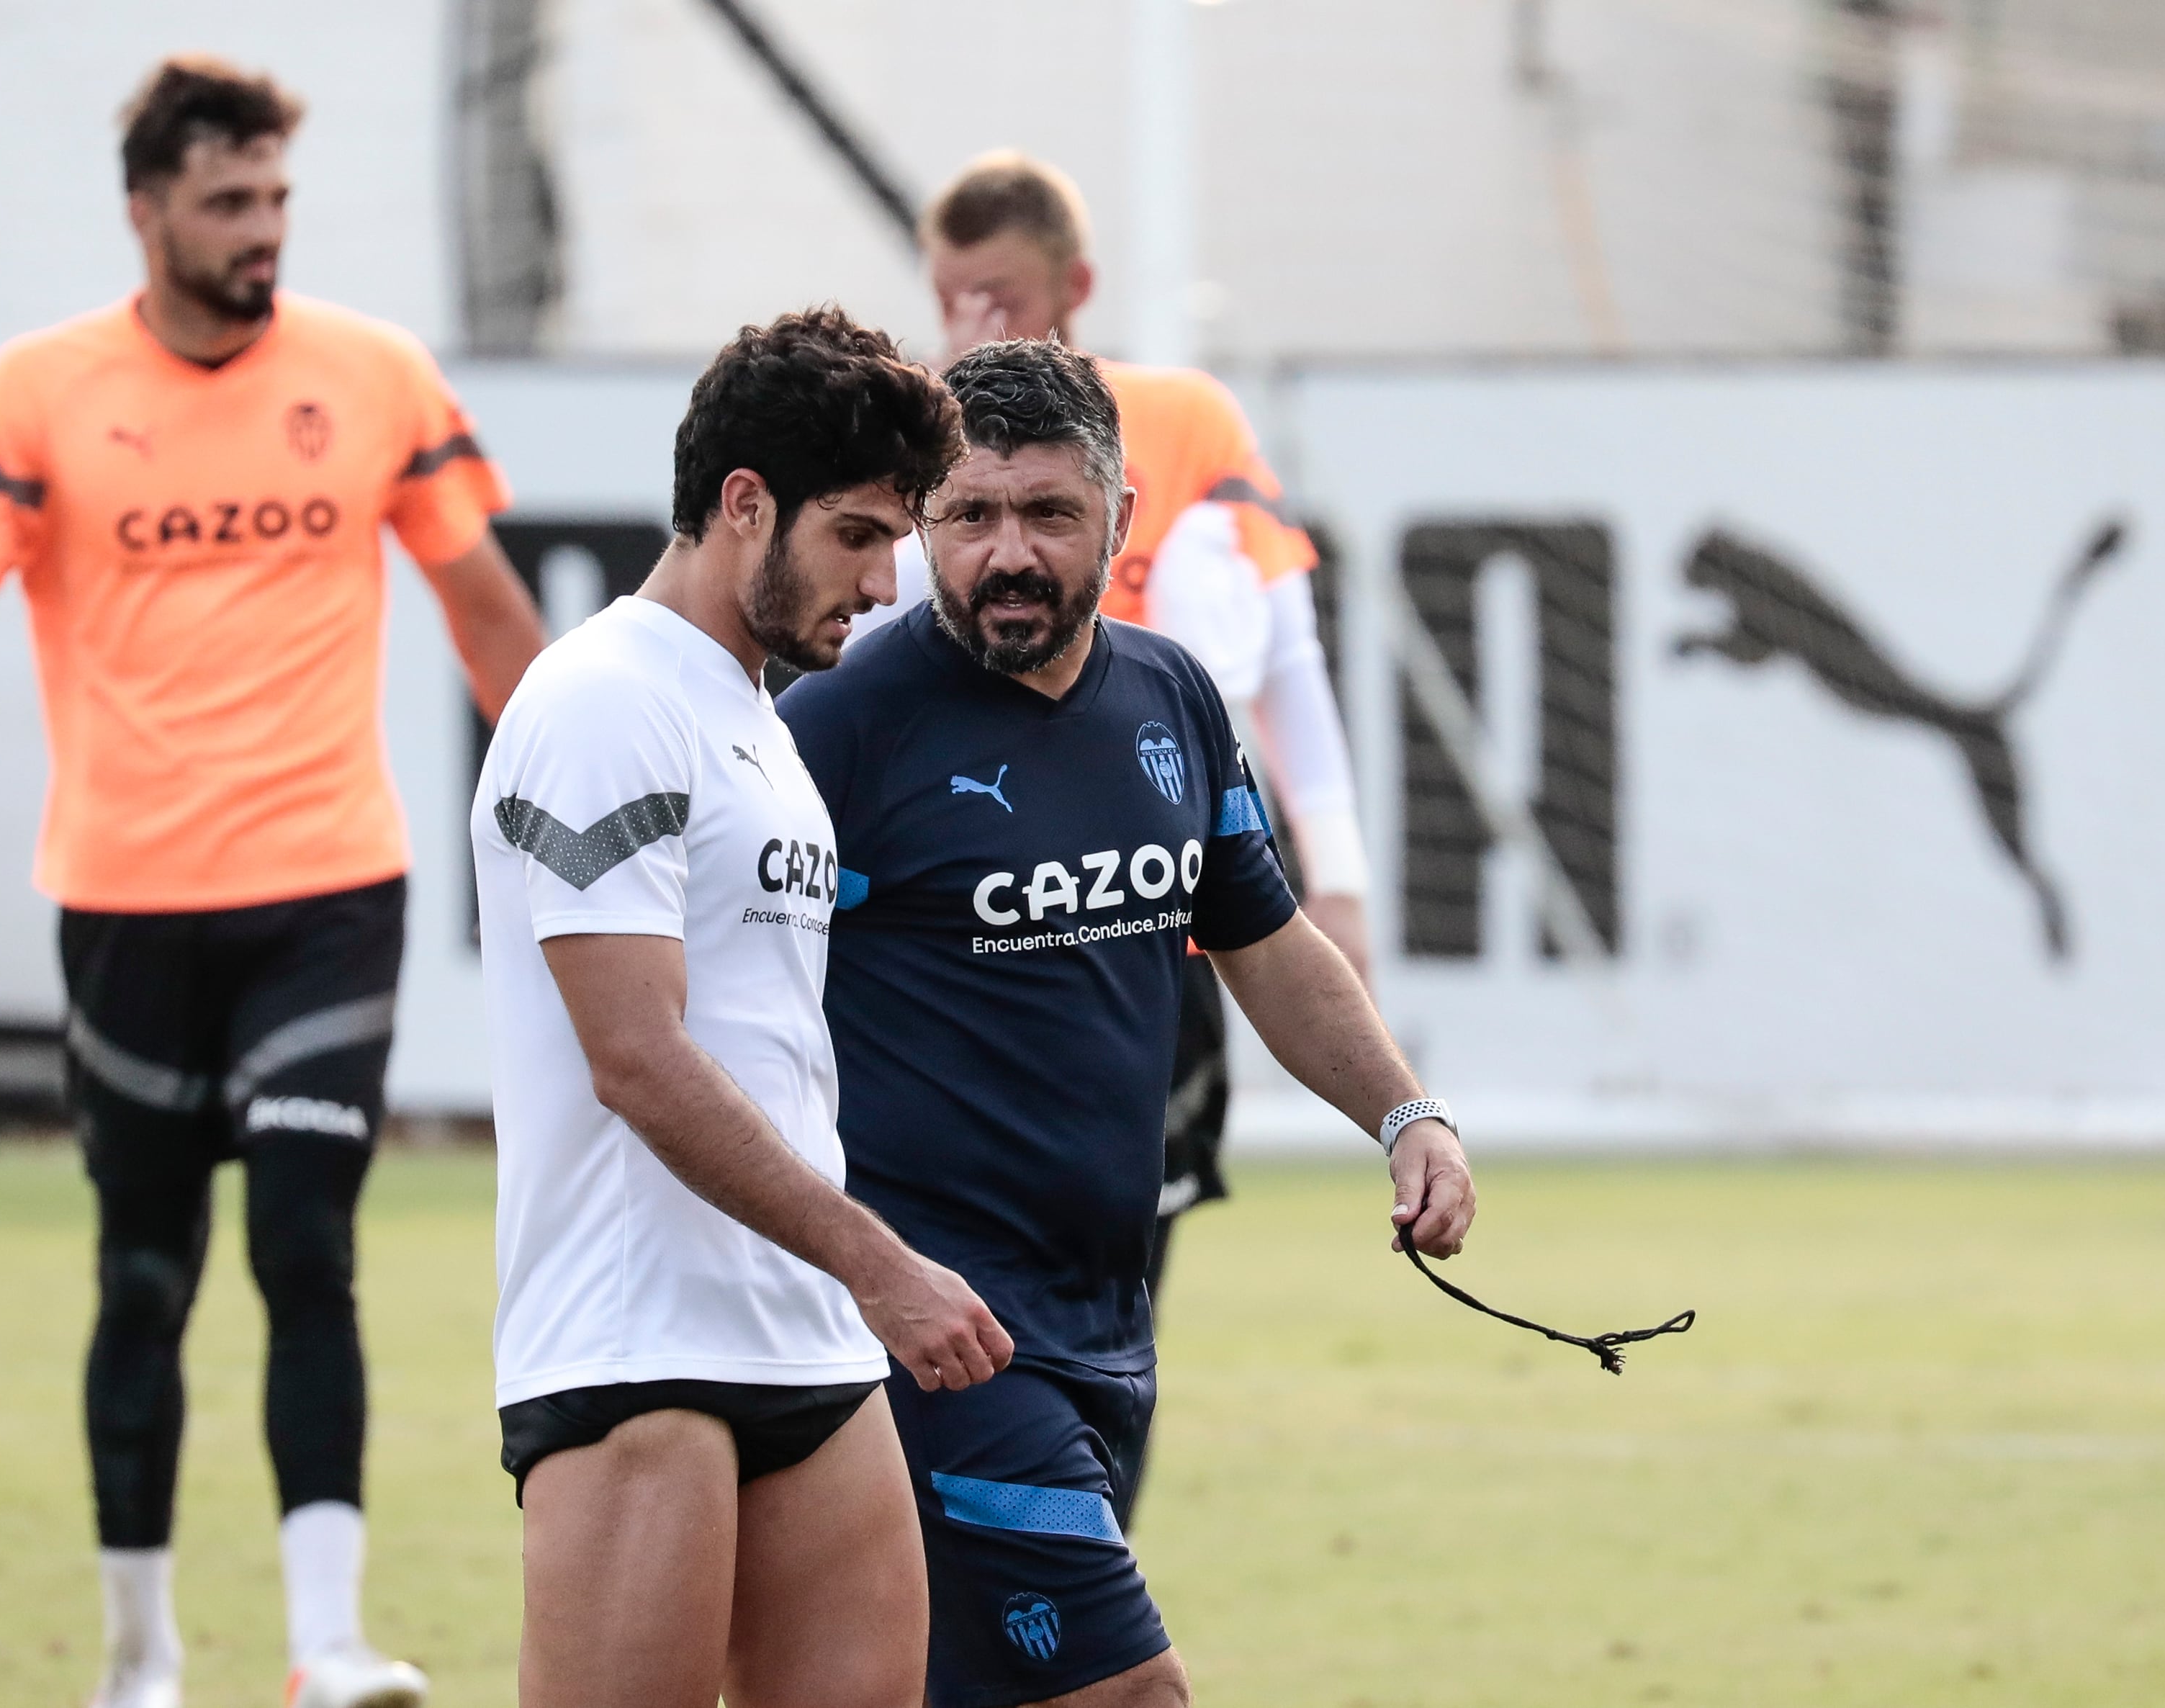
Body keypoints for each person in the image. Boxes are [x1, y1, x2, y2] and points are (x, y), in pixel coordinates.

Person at [0, 58, 547, 1708]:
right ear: (146, 213)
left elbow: (492, 618)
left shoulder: (373, 375)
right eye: (226, 203)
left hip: (329, 891)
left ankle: (328, 1644)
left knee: (304, 1246)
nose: (260, 230)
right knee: (145, 1272)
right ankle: (139, 1656)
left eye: (274, 198)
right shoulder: (36, 390)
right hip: (125, 904)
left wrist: (609, 804)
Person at [779, 338, 1475, 1708]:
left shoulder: (1173, 700)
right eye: (969, 516)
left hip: (1105, 1312)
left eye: (1049, 514)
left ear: (1122, 520)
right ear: (922, 521)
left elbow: (1265, 944)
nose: (1007, 554)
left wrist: (1406, 1113)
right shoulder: (837, 729)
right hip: (936, 1334)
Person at [472, 305, 1014, 1708]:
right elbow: (638, 1060)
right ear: (743, 503)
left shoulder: (755, 724)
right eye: (857, 535)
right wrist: (882, 1263)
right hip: (633, 1346)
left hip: (809, 1346)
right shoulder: (602, 699)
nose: (888, 584)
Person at [858, 148, 1373, 1391]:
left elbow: (1284, 654)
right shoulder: (912, 427)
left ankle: (1077, 1527)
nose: (973, 327)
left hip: (1138, 897)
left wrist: (1337, 873)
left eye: (1000, 296)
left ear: (1072, 284)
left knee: (1118, 1256)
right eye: (950, 298)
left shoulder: (1185, 417)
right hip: (963, 899)